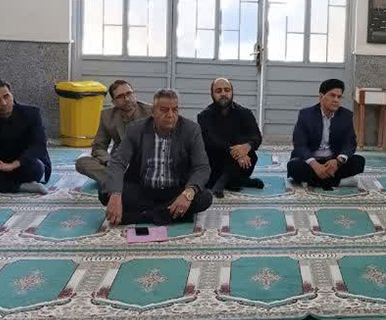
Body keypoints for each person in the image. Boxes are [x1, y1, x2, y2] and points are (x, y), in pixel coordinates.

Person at [103, 89, 213, 225]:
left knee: (205, 197)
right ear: (153, 112)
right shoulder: (136, 129)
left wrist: (188, 193)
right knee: (105, 192)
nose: (170, 115)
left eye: (175, 110)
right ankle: (166, 214)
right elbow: (118, 162)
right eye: (164, 110)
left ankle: (143, 216)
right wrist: (115, 194)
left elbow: (202, 167)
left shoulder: (191, 129)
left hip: (176, 190)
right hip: (144, 189)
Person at [287, 79, 366, 189]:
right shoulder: (306, 115)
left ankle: (312, 181)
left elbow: (350, 143)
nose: (336, 100)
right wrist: (314, 164)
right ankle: (337, 182)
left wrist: (338, 161)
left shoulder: (346, 116)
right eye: (332, 96)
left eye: (339, 97)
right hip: (311, 160)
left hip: (333, 161)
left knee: (359, 161)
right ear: (321, 97)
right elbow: (300, 145)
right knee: (293, 166)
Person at [75, 79, 151, 188]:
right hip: (119, 163)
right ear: (114, 102)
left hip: (146, 162)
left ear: (135, 94)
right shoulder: (107, 116)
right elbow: (98, 147)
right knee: (82, 162)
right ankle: (123, 181)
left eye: (129, 94)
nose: (127, 99)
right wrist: (109, 161)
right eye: (120, 96)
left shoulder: (151, 112)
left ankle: (117, 181)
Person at [197, 78, 265, 198]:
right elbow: (211, 141)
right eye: (218, 91)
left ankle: (223, 182)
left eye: (227, 90)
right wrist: (236, 152)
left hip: (241, 164)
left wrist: (246, 147)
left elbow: (256, 137)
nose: (223, 93)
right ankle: (235, 182)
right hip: (216, 162)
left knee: (251, 155)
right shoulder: (204, 116)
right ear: (212, 94)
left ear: (232, 92)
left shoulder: (245, 113)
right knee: (213, 154)